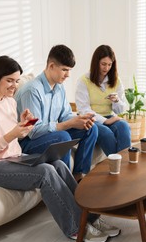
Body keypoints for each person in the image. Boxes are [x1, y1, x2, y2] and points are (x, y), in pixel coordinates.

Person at [0, 56, 120, 242]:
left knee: (57, 164)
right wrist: (12, 134)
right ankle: (75, 227)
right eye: (9, 80)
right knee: (45, 172)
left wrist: (24, 125)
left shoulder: (8, 102)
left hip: (12, 157)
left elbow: (17, 136)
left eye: (16, 81)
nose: (14, 86)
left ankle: (91, 218)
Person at [15, 45, 98, 182]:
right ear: (52, 66)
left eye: (69, 70)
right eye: (64, 70)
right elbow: (33, 131)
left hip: (50, 135)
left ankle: (79, 176)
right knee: (63, 136)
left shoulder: (59, 88)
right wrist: (67, 124)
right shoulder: (32, 91)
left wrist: (79, 119)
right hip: (28, 142)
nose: (68, 75)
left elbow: (65, 115)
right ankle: (64, 184)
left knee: (90, 129)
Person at [75, 45, 131, 156]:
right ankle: (118, 165)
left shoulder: (116, 80)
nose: (106, 68)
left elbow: (120, 110)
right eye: (103, 64)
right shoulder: (83, 81)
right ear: (96, 63)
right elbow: (83, 109)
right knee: (106, 134)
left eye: (110, 64)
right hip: (91, 120)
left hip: (110, 116)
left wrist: (116, 101)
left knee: (124, 127)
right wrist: (105, 121)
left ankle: (123, 167)